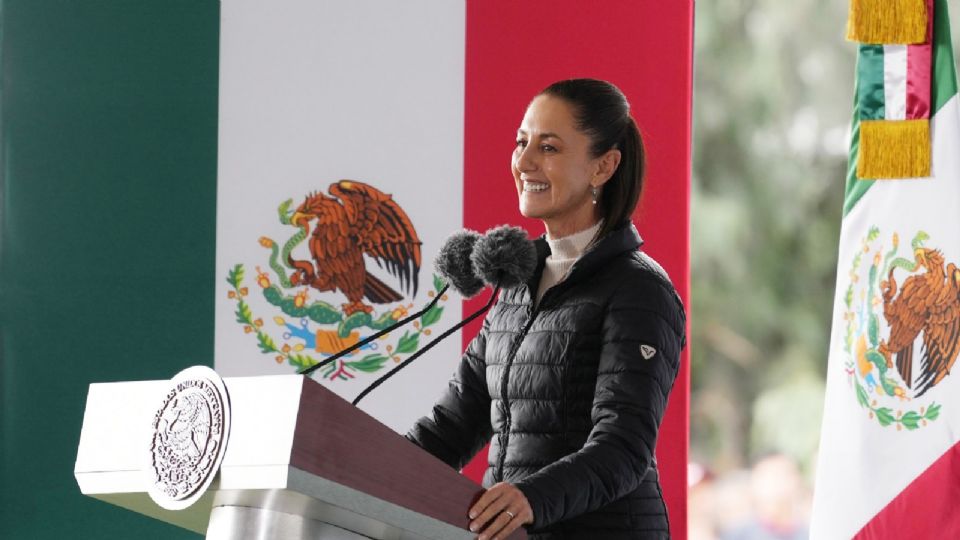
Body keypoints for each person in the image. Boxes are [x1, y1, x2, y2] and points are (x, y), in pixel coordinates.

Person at [406, 78, 686, 539]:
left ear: (604, 166)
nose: (524, 161)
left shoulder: (639, 290)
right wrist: (352, 469)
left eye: (549, 148)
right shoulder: (516, 284)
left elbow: (622, 449)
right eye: (522, 142)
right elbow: (451, 429)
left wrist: (530, 498)